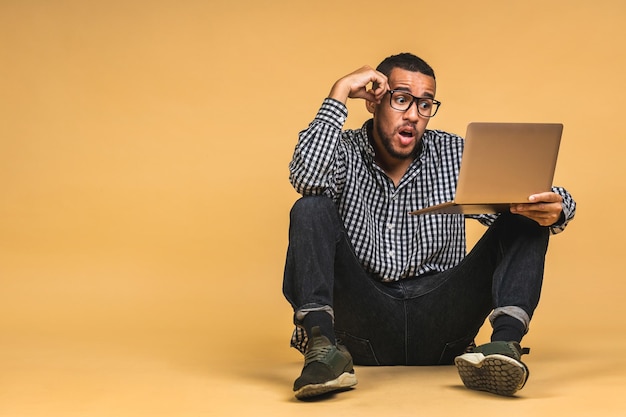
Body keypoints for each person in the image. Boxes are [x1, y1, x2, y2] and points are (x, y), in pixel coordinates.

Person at [282, 52, 576, 400]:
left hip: (443, 324)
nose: (412, 115)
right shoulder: (343, 152)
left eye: (425, 105)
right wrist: (340, 90)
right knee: (310, 207)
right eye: (402, 99)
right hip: (362, 326)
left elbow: (536, 193)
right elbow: (306, 177)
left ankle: (503, 346)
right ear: (374, 102)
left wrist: (555, 210)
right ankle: (322, 349)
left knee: (524, 214)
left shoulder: (453, 154)